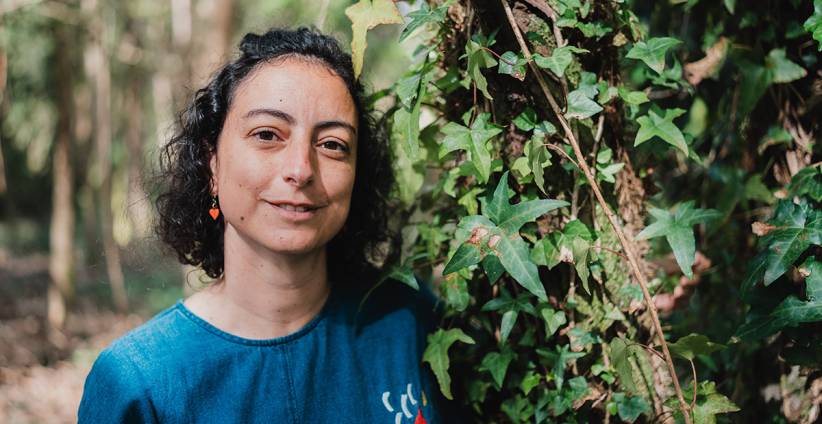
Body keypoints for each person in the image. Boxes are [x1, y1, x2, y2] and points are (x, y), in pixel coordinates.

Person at [78, 27, 456, 423]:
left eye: (332, 144)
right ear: (211, 165)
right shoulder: (139, 382)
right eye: (267, 135)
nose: (301, 170)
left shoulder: (409, 321)